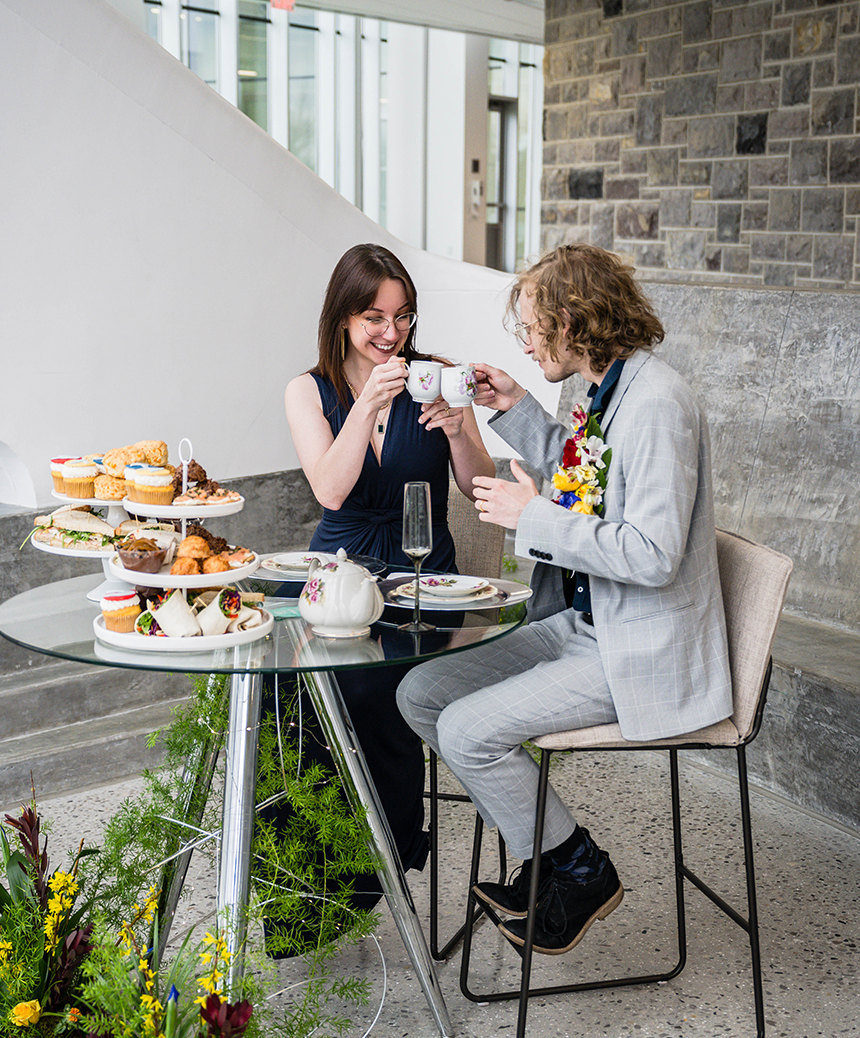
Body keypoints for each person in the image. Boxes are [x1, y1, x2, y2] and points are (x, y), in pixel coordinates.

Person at [397, 243, 732, 956]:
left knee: (465, 732)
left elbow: (651, 553)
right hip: (584, 622)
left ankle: (576, 867)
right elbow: (584, 476)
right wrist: (512, 404)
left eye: (531, 327)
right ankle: (556, 859)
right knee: (422, 694)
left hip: (637, 645)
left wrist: (532, 518)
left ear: (574, 320)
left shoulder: (659, 405)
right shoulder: (602, 388)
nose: (523, 341)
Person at [277, 242, 493, 913]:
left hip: (421, 576)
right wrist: (367, 403)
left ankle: (379, 859)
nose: (391, 333)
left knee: (370, 682)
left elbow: (479, 486)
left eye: (402, 317)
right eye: (374, 316)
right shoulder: (307, 391)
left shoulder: (437, 376)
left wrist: (459, 431)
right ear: (343, 316)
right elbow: (333, 491)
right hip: (333, 573)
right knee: (282, 690)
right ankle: (301, 871)